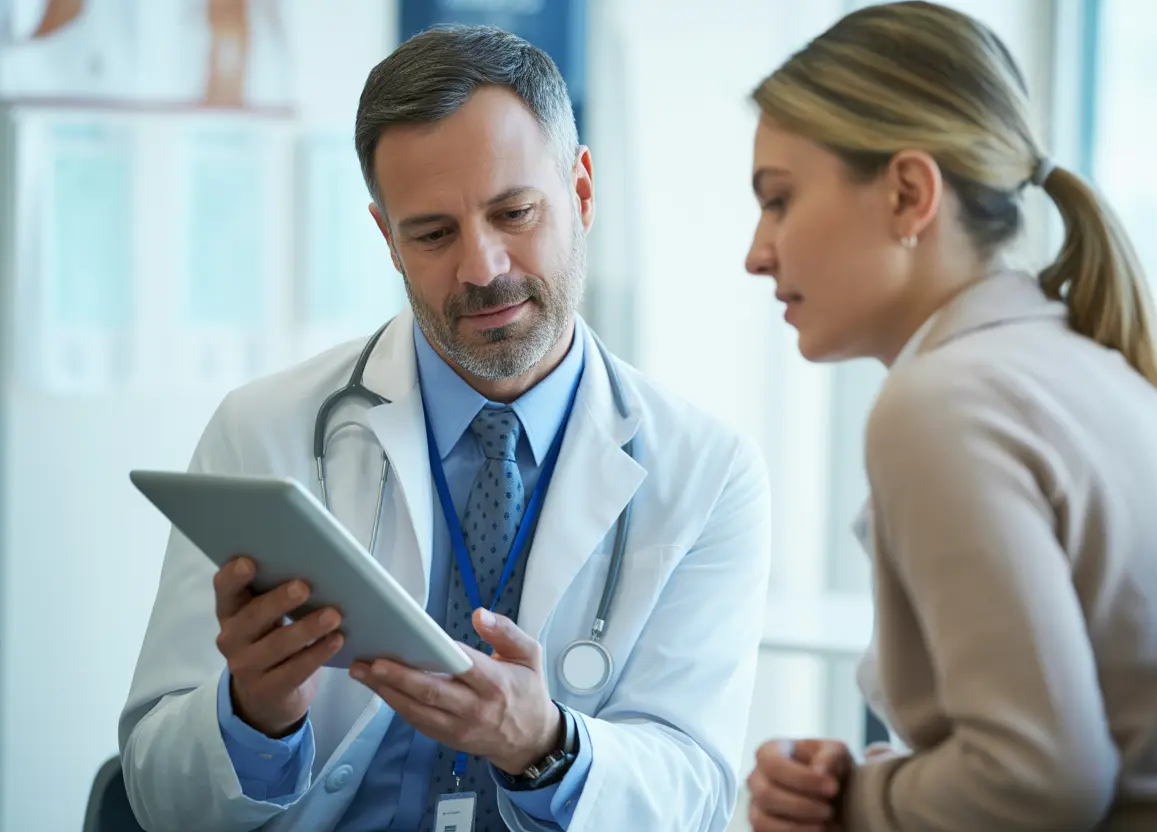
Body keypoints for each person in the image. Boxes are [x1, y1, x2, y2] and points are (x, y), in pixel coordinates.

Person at [118, 24, 771, 832]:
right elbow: (153, 794)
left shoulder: (708, 471)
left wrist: (546, 745)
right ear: (387, 238)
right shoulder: (264, 431)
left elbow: (695, 795)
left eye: (515, 212)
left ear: (584, 192)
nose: (482, 267)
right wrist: (254, 714)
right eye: (432, 233)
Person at [740, 2, 1157, 830]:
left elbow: (1037, 782)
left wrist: (854, 808)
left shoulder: (943, 401)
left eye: (780, 200)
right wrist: (884, 783)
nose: (758, 252)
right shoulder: (1094, 367)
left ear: (909, 193)